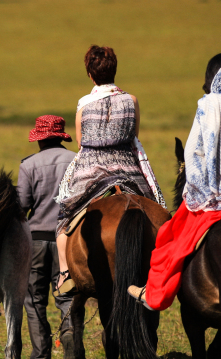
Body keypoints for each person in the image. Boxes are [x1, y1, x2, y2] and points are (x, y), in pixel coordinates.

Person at [129, 53, 221, 310]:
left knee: (171, 238)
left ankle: (155, 293)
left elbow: (193, 153)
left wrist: (197, 191)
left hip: (220, 198)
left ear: (213, 79)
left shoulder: (209, 104)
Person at [54, 45, 166, 293]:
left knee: (64, 216)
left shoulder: (83, 104)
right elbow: (134, 135)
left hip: (91, 169)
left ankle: (64, 274)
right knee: (158, 210)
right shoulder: (132, 100)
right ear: (114, 70)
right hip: (128, 168)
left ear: (90, 74)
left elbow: (82, 142)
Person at [17, 115, 77, 359]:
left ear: (40, 139)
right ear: (61, 137)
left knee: (34, 300)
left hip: (37, 241)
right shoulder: (76, 161)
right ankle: (70, 333)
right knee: (67, 296)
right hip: (70, 241)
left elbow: (21, 206)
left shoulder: (28, 165)